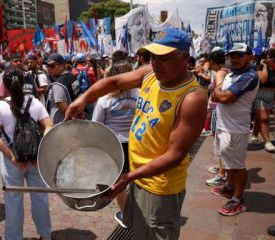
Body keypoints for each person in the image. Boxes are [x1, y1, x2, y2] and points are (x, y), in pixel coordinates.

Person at [65, 28, 207, 239]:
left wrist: (129, 177)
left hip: (159, 187)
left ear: (185, 58)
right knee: (139, 230)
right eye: (153, 57)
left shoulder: (192, 98)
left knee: (154, 233)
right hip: (138, 176)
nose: (156, 64)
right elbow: (114, 82)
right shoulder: (151, 74)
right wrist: (83, 98)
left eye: (164, 58)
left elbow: (174, 155)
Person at [0, 70, 53, 240]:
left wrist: (12, 156)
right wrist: (40, 149)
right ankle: (45, 234)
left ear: (5, 85)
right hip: (35, 159)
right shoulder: (35, 103)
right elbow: (49, 126)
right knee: (40, 197)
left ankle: (13, 237)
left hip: (12, 162)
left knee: (13, 200)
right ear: (24, 82)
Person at [210, 43, 259, 216]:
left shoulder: (249, 76)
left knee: (238, 165)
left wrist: (217, 90)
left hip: (236, 129)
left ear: (249, 57)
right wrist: (217, 91)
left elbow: (226, 98)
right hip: (224, 125)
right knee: (228, 161)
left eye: (240, 55)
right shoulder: (233, 73)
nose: (235, 59)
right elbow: (215, 94)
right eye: (233, 56)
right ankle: (231, 188)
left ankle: (238, 200)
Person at [91, 60, 139, 228]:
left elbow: (96, 126)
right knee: (136, 179)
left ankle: (127, 216)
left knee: (119, 182)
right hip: (137, 144)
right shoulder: (141, 94)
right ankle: (139, 213)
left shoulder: (104, 100)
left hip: (115, 146)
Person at [205, 49, 230, 187]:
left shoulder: (220, 72)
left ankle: (221, 174)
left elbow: (219, 89)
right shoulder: (227, 70)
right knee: (220, 141)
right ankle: (222, 168)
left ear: (213, 62)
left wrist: (212, 90)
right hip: (218, 108)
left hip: (216, 108)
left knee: (219, 141)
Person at [250, 48, 275, 152]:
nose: (268, 59)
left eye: (271, 57)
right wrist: (264, 66)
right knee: (264, 119)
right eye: (266, 57)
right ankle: (267, 142)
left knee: (259, 118)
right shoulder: (258, 67)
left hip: (271, 96)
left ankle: (254, 136)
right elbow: (263, 79)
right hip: (259, 96)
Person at [46, 53, 79, 124]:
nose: (49, 68)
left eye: (52, 66)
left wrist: (74, 117)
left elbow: (64, 108)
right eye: (47, 66)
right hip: (74, 122)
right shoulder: (71, 76)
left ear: (62, 64)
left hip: (62, 124)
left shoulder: (57, 84)